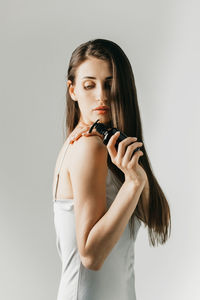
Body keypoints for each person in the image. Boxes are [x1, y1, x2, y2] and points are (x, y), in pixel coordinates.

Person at [52, 38, 171, 300]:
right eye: (89, 85)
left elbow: (155, 217)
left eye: (110, 84)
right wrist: (132, 185)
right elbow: (91, 256)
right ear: (73, 90)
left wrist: (136, 177)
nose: (102, 95)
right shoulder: (89, 148)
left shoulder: (106, 146)